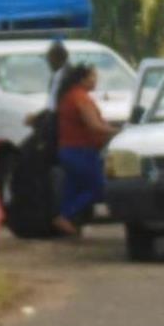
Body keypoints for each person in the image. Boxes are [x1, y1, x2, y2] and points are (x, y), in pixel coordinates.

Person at [53, 63, 118, 236]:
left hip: (68, 150)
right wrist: (118, 131)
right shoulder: (80, 98)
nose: (95, 80)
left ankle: (67, 218)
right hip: (81, 151)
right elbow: (94, 126)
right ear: (83, 79)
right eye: (92, 77)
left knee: (73, 187)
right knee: (98, 188)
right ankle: (67, 215)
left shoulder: (69, 96)